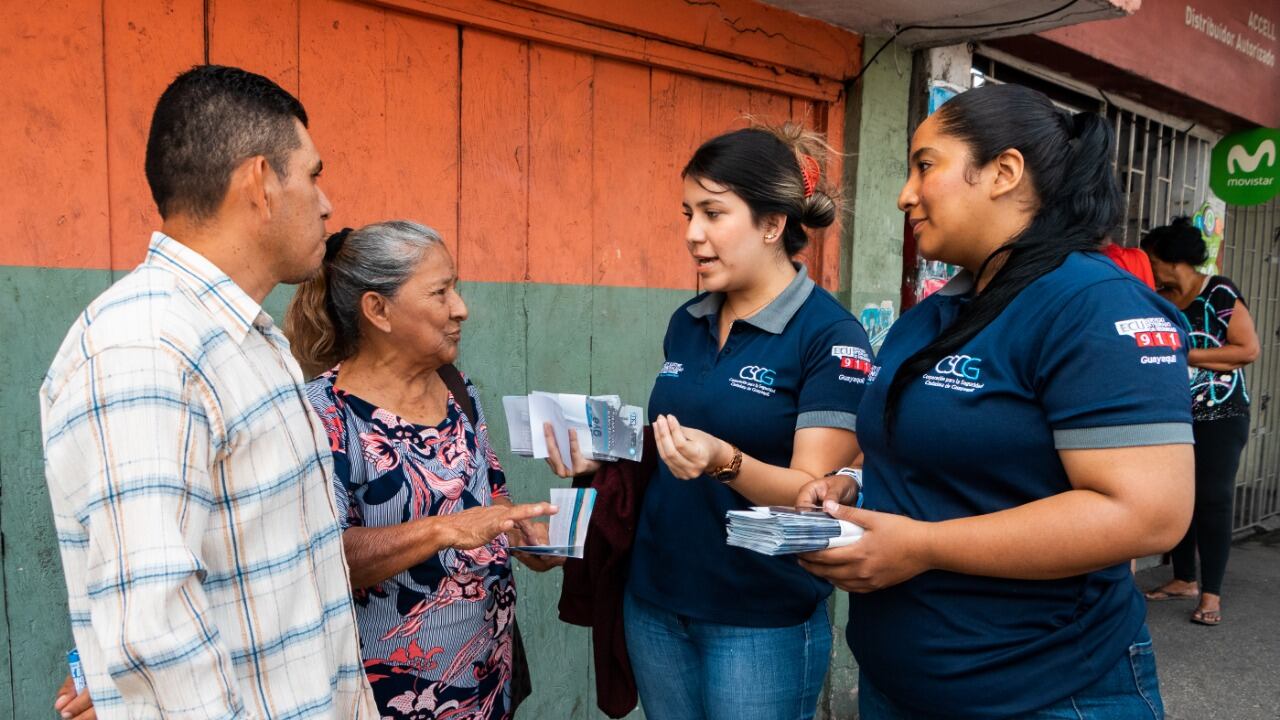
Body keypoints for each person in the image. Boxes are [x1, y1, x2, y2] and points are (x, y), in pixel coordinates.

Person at [796, 83, 1195, 718]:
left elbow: (1147, 514)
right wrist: (851, 479)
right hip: (900, 682)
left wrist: (923, 546)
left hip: (1045, 689)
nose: (905, 194)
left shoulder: (1092, 305)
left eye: (925, 166)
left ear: (1004, 172)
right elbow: (919, 442)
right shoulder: (933, 315)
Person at [42, 65, 378, 718]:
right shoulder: (144, 349)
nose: (327, 203)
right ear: (259, 183)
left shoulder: (246, 339)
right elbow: (156, 635)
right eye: (312, 175)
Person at [545, 125, 873, 720]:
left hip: (759, 619)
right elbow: (671, 445)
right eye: (688, 213)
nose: (692, 233)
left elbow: (813, 497)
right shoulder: (688, 321)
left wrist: (726, 461)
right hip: (655, 603)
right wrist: (604, 456)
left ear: (772, 225)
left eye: (713, 213)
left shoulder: (830, 336)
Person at [284, 220, 557, 719]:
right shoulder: (323, 415)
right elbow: (321, 556)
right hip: (389, 696)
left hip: (486, 681)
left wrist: (519, 531)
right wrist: (443, 530)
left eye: (456, 287)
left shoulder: (456, 388)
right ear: (378, 310)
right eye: (440, 292)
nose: (460, 307)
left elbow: (490, 494)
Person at [1142, 217, 1260, 626]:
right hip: (1175, 415)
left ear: (1173, 259)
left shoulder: (1219, 292)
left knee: (1212, 498)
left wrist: (1186, 356)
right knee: (1179, 498)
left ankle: (1211, 593)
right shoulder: (1161, 299)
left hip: (1222, 414)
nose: (1150, 268)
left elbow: (1247, 350)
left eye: (1153, 260)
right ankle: (1184, 579)